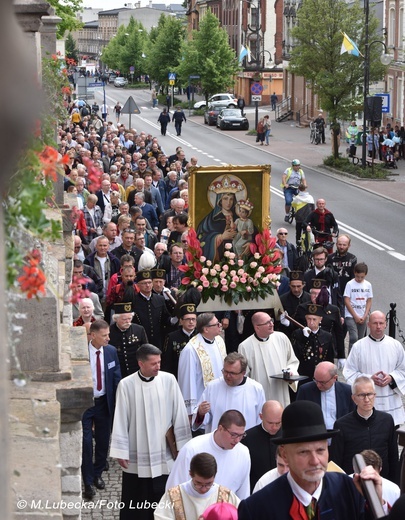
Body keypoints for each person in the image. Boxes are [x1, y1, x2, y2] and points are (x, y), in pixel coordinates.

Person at [238, 400, 387, 520]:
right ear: (284, 455)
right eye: (304, 452)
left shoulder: (347, 489)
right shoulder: (257, 508)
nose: (315, 461)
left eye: (321, 450)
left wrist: (376, 502)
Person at [109, 344, 192, 520]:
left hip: (164, 450)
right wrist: (120, 451)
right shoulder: (126, 385)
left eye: (159, 362)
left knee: (162, 493)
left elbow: (179, 412)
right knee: (137, 496)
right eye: (153, 363)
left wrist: (183, 447)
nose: (158, 366)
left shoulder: (168, 380)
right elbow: (121, 418)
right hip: (137, 449)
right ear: (141, 363)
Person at [165, 410, 251, 499]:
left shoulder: (243, 453)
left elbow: (243, 493)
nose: (237, 440)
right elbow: (173, 490)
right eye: (234, 435)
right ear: (220, 428)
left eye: (241, 435)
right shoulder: (192, 449)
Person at [329, 376, 399, 482]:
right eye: (361, 395)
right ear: (353, 398)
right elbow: (336, 460)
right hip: (353, 484)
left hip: (383, 482)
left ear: (375, 395)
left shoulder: (387, 420)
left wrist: (395, 485)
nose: (366, 399)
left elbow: (393, 457)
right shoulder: (341, 425)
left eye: (369, 394)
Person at [343, 310, 405, 427]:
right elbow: (349, 372)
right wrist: (369, 379)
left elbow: (403, 369)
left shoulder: (396, 345)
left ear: (386, 324)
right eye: (375, 323)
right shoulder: (358, 346)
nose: (378, 327)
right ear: (368, 324)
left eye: (381, 323)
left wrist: (391, 377)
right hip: (366, 401)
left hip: (390, 402)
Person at [81, 320, 121, 500]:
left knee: (104, 441)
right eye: (104, 335)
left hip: (104, 403)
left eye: (108, 334)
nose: (108, 338)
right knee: (86, 443)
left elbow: (116, 378)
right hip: (86, 404)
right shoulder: (81, 352)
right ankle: (88, 482)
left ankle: (97, 474)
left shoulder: (111, 351)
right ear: (93, 335)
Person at [192, 352, 265, 433]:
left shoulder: (256, 389)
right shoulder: (213, 387)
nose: (227, 376)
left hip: (246, 440)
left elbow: (260, 420)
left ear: (243, 373)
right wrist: (200, 413)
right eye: (225, 371)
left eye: (232, 373)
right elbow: (205, 419)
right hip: (219, 442)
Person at [238, 312, 300, 407]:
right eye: (267, 323)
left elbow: (292, 361)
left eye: (271, 320)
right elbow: (244, 374)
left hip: (280, 390)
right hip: (261, 393)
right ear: (257, 327)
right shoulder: (245, 346)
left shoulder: (281, 338)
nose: (272, 324)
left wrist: (290, 372)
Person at [154, 453, 240, 520]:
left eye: (209, 484)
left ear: (214, 476)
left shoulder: (226, 496)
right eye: (198, 483)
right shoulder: (173, 495)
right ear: (190, 474)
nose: (203, 489)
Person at [178, 313, 227, 417]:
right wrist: (191, 412)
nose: (220, 325)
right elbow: (188, 380)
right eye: (217, 324)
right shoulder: (191, 349)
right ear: (206, 329)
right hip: (203, 401)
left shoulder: (219, 341)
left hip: (221, 397)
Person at [196, 175, 244, 262]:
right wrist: (220, 237)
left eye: (231, 199)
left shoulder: (239, 218)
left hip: (237, 257)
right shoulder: (211, 219)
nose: (228, 202)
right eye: (225, 199)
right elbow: (201, 237)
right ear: (220, 201)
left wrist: (248, 243)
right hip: (218, 258)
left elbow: (252, 235)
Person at [296, 361, 355, 430]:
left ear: (334, 378)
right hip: (315, 436)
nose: (318, 385)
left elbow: (352, 416)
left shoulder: (347, 391)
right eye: (316, 380)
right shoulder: (305, 391)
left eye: (322, 382)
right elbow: (298, 416)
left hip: (340, 435)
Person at [241, 400, 283, 492]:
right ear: (261, 417)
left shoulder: (289, 435)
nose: (274, 427)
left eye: (278, 423)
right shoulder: (247, 438)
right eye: (270, 423)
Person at [291, 303, 335, 381]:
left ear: (320, 319)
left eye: (314, 319)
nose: (311, 322)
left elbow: (330, 358)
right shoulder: (298, 334)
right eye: (309, 319)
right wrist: (304, 338)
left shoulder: (327, 336)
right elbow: (295, 355)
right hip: (303, 376)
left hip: (321, 377)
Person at [108, 302, 149, 377]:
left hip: (136, 369)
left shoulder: (139, 329)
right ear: (115, 319)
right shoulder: (109, 331)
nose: (127, 321)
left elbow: (145, 349)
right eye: (124, 319)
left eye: (129, 318)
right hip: (118, 370)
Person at [162, 303, 198, 378]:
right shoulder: (172, 337)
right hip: (178, 375)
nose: (191, 322)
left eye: (193, 319)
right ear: (181, 321)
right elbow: (167, 361)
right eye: (188, 319)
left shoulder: (200, 335)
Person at [344, 262, 373, 351]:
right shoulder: (350, 284)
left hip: (362, 315)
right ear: (354, 273)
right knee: (354, 337)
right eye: (357, 276)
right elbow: (346, 300)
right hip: (350, 315)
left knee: (360, 340)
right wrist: (355, 316)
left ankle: (358, 359)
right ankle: (350, 358)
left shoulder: (368, 285)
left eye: (362, 277)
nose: (359, 279)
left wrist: (365, 315)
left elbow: (369, 300)